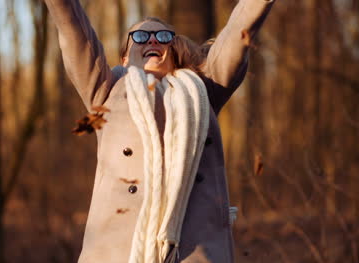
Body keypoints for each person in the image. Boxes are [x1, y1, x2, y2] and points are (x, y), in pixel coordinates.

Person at [44, 0, 276, 262]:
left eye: (163, 36)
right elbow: (74, 31)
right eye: (141, 36)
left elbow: (238, 31)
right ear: (124, 57)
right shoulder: (106, 91)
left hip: (195, 253)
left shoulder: (204, 90)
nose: (153, 41)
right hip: (118, 252)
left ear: (174, 50)